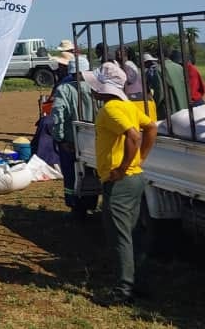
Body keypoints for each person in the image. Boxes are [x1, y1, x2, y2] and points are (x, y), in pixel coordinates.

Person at [82, 62, 157, 304]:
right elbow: (151, 127)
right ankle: (141, 284)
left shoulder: (110, 110)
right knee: (134, 233)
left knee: (120, 235)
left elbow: (134, 136)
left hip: (121, 182)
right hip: (135, 179)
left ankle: (123, 291)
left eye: (95, 86)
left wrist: (123, 167)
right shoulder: (129, 107)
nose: (92, 90)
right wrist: (140, 159)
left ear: (103, 89)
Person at [50, 51, 97, 217]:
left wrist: (60, 137)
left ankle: (75, 207)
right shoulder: (96, 88)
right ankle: (91, 202)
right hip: (93, 141)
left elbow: (57, 114)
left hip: (71, 141)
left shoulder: (64, 89)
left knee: (71, 174)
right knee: (91, 173)